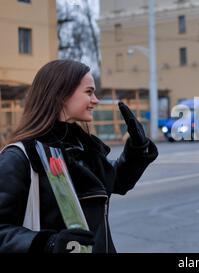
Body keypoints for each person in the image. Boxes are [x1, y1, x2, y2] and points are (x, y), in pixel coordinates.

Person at [0, 60, 158, 253]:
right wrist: (49, 244)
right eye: (89, 92)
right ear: (61, 94)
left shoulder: (84, 146)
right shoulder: (20, 157)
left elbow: (115, 182)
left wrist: (137, 150)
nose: (96, 100)